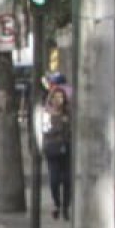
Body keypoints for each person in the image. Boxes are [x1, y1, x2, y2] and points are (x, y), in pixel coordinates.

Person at [40, 84, 73, 220]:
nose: (59, 100)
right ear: (51, 99)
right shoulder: (47, 114)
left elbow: (72, 130)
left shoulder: (68, 114)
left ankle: (65, 207)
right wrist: (59, 128)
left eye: (61, 97)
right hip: (52, 149)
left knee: (67, 180)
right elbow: (45, 130)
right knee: (54, 180)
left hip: (66, 149)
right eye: (56, 97)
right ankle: (57, 203)